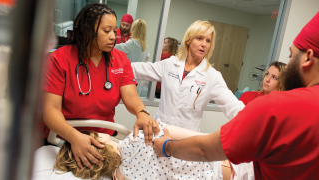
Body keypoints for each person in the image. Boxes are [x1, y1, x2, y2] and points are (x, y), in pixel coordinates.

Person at [153, 2, 319, 180]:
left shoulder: (277, 107)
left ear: (308, 57)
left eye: (291, 55)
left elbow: (207, 150)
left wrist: (167, 147)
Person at [41, 3, 159, 170]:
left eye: (114, 31)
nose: (114, 37)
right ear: (87, 30)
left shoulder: (120, 60)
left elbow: (131, 95)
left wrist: (142, 112)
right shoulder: (59, 59)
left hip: (102, 139)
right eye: (106, 31)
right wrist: (73, 137)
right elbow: (50, 110)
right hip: (62, 138)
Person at [131, 20, 245, 132]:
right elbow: (138, 69)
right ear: (188, 40)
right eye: (199, 38)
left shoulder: (212, 76)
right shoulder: (171, 64)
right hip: (159, 131)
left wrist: (255, 124)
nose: (204, 44)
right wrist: (116, 62)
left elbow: (233, 106)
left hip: (185, 139)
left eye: (208, 40)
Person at [53, 123, 227, 180]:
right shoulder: (136, 138)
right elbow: (199, 139)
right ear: (99, 140)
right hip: (219, 162)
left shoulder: (120, 177)